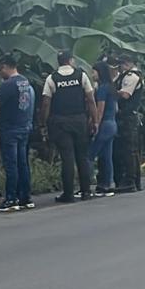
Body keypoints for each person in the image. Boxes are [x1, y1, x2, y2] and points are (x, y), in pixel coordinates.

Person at [0, 54, 36, 212]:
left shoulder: (8, 84)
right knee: (22, 163)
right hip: (24, 127)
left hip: (10, 129)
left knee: (11, 165)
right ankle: (25, 197)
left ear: (5, 66)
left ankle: (11, 198)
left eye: (0, 69)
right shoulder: (24, 81)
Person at [40, 51, 98, 203]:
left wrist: (43, 123)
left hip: (60, 122)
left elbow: (46, 102)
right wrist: (95, 120)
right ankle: (86, 191)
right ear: (71, 60)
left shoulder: (52, 78)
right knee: (82, 157)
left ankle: (69, 194)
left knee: (67, 158)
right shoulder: (81, 75)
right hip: (79, 120)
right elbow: (91, 100)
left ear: (58, 62)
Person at [113, 54, 145, 192]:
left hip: (128, 117)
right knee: (129, 150)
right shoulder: (126, 75)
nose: (120, 67)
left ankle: (130, 180)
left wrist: (112, 92)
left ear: (128, 63)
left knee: (129, 150)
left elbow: (125, 95)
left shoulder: (131, 76)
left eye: (122, 64)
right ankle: (133, 181)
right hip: (126, 117)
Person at [89, 60, 118, 197]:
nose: (92, 74)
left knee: (90, 155)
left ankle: (86, 184)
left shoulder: (102, 89)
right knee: (106, 156)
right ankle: (107, 184)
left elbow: (100, 109)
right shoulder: (111, 87)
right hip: (112, 123)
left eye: (93, 72)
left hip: (104, 124)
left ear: (99, 72)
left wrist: (95, 124)